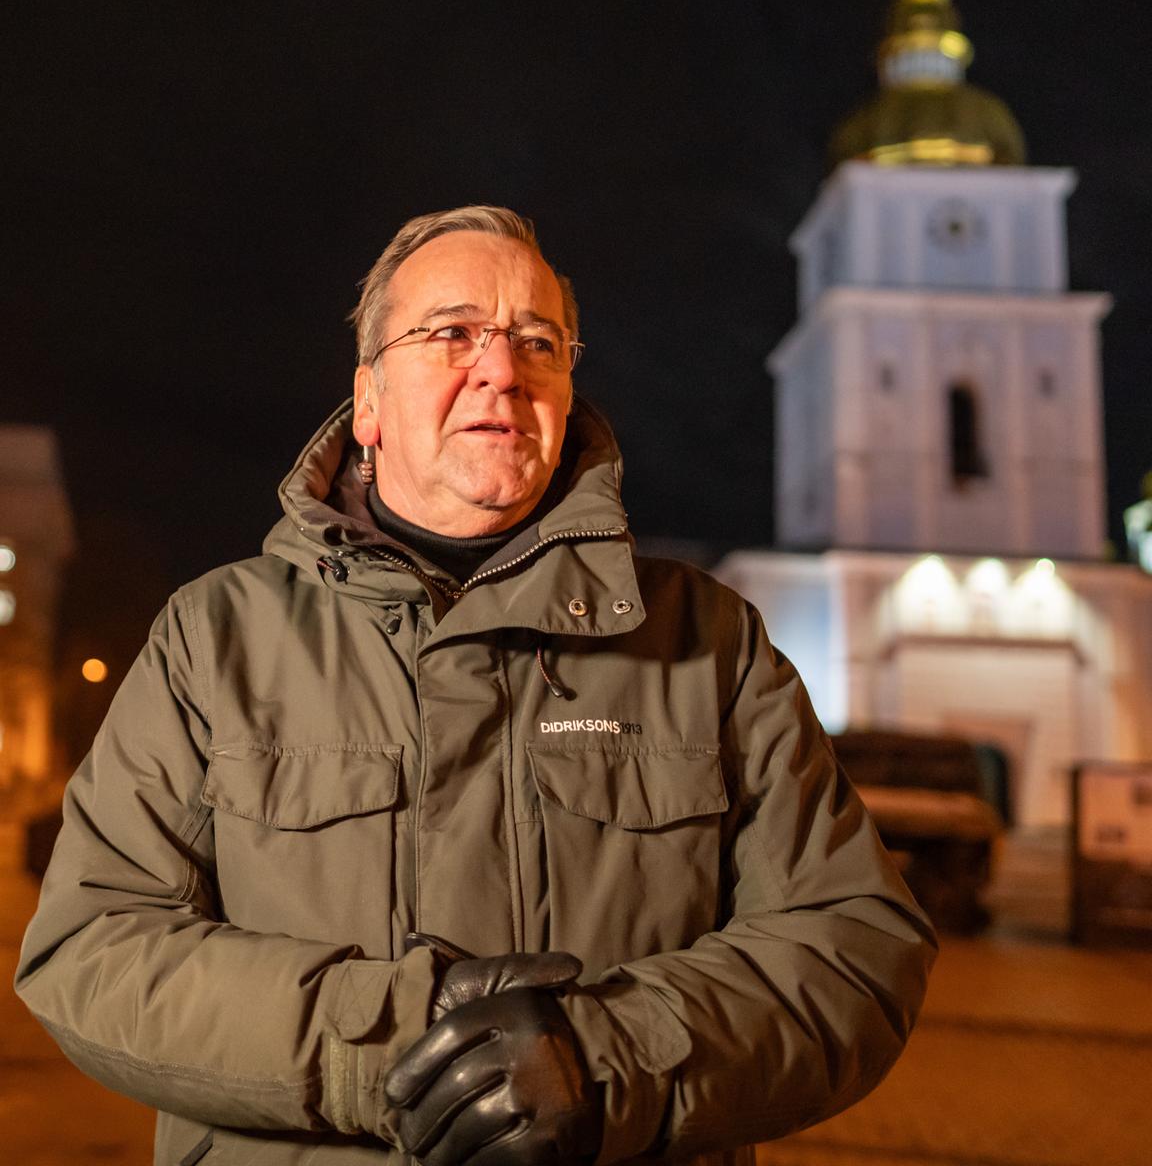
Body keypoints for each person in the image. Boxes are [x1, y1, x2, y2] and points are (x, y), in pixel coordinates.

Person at [17, 206, 935, 1166]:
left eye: (537, 341)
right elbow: (92, 948)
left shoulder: (708, 644)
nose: (501, 368)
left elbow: (855, 947)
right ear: (367, 401)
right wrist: (398, 1049)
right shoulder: (215, 638)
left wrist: (605, 1062)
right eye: (452, 332)